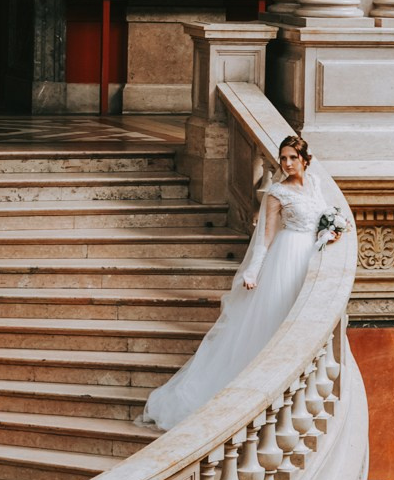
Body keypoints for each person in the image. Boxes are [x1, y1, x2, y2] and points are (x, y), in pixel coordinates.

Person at [136, 134, 333, 430]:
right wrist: (253, 272)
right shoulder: (278, 192)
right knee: (276, 323)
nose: (288, 163)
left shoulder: (316, 185)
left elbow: (324, 215)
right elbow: (265, 237)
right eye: (283, 158)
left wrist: (332, 230)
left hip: (310, 256)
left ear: (305, 160)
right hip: (287, 256)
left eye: (293, 157)